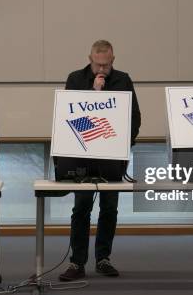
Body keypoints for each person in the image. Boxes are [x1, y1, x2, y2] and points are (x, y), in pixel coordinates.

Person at [59, 40, 141, 281]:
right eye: (98, 64)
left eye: (106, 65)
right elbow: (68, 115)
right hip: (82, 155)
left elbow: (134, 117)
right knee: (82, 207)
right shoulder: (75, 79)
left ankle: (103, 258)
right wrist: (95, 93)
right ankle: (77, 262)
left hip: (113, 156)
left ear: (113, 60)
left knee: (109, 208)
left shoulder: (123, 80)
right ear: (90, 59)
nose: (102, 70)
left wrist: (126, 146)